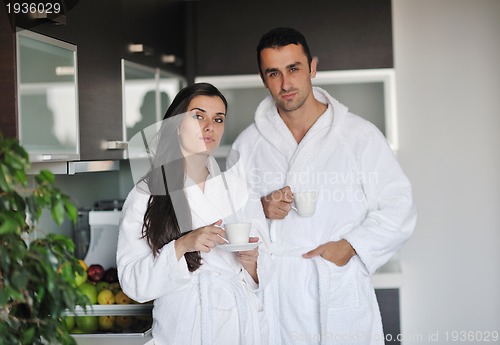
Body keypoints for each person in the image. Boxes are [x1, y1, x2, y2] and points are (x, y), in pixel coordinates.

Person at [228, 27, 417, 345]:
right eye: (273, 73)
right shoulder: (248, 145)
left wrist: (351, 246)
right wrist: (260, 207)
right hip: (276, 294)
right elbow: (230, 219)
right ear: (263, 79)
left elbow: (400, 206)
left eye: (294, 69)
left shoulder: (359, 135)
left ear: (312, 67)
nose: (285, 83)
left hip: (336, 286)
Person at [117, 83, 272, 345]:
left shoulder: (237, 188)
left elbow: (267, 269)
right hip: (185, 330)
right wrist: (182, 245)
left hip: (240, 328)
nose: (209, 126)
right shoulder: (147, 194)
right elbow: (134, 283)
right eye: (198, 116)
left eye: (218, 119)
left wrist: (251, 263)